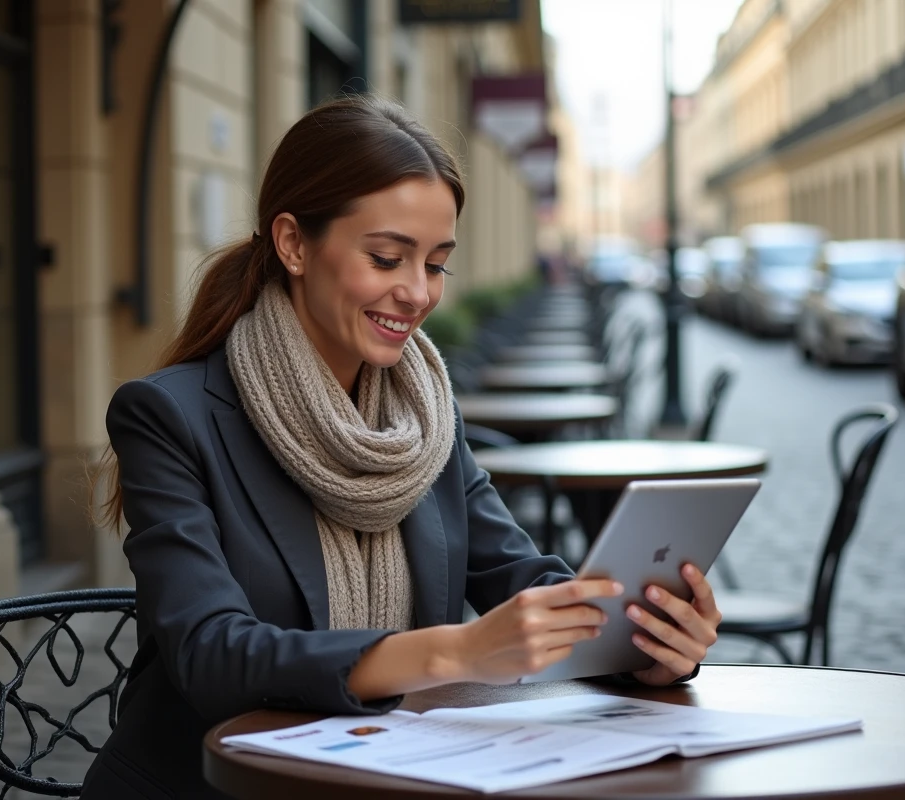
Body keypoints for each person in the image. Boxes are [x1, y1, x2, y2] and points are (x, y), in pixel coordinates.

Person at [80, 95, 722, 799]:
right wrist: (455, 651)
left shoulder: (422, 413)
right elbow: (213, 655)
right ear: (294, 243)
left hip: (389, 777)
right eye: (387, 258)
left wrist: (644, 647)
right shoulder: (170, 417)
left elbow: (519, 574)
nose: (417, 293)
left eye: (437, 264)